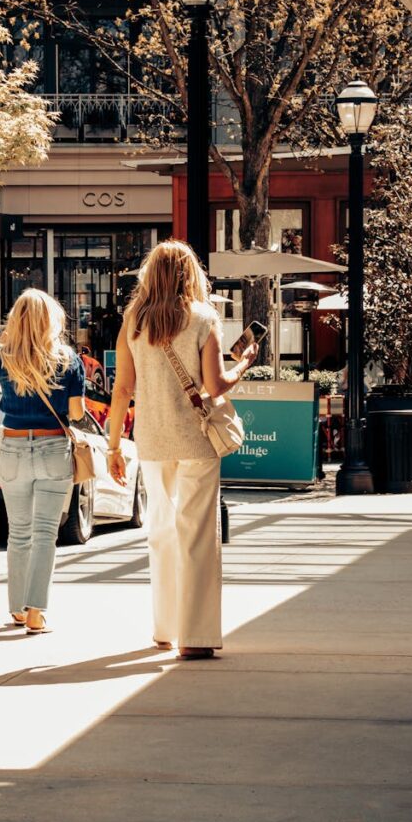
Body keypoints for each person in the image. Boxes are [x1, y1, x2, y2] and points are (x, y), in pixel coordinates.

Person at [105, 240, 257, 661]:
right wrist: (244, 362)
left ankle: (164, 628)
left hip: (152, 441)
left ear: (150, 275)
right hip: (195, 440)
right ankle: (195, 635)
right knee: (197, 536)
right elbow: (215, 386)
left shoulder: (133, 319)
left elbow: (122, 389)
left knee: (162, 531)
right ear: (190, 275)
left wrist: (114, 446)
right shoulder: (203, 318)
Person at [0, 288, 86, 634]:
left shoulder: (1, 356)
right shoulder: (68, 358)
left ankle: (16, 610)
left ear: (16, 320)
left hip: (13, 449)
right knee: (44, 534)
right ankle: (36, 611)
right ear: (51, 320)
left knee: (18, 532)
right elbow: (77, 413)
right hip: (53, 447)